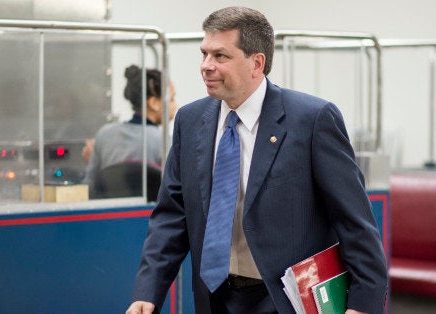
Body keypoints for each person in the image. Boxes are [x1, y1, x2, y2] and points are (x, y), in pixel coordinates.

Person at [126, 6, 388, 314]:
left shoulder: (312, 120)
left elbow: (354, 221)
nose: (206, 66)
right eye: (204, 54)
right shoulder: (190, 120)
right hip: (216, 298)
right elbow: (172, 215)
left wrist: (362, 304)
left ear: (257, 63)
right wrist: (147, 291)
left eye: (220, 56)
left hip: (285, 300)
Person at [82, 65, 178, 195]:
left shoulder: (105, 134)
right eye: (171, 99)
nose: (175, 106)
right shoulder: (166, 142)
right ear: (153, 103)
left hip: (111, 213)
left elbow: (89, 186)